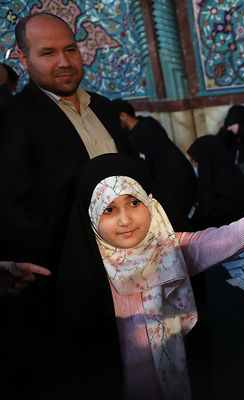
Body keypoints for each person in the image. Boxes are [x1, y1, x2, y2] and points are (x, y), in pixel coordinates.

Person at [55, 153, 244, 399]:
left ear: (150, 203)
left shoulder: (171, 249)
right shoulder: (86, 273)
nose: (125, 220)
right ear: (90, 216)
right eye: (108, 209)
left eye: (133, 203)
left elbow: (229, 237)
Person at [0, 12, 131, 397]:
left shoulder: (103, 108)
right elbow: (12, 203)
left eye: (70, 49)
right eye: (48, 53)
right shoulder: (14, 119)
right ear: (23, 58)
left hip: (128, 271)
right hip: (67, 286)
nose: (64, 61)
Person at [112, 98, 197, 231]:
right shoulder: (149, 125)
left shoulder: (138, 136)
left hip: (170, 182)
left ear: (123, 116)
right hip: (180, 173)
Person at [186, 134, 244, 230]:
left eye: (194, 161)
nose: (193, 166)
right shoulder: (219, 181)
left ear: (206, 162)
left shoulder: (228, 195)